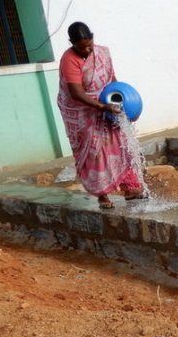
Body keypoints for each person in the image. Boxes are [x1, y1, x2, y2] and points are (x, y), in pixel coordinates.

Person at [57, 21, 145, 208]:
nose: (87, 51)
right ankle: (102, 195)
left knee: (119, 143)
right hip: (82, 112)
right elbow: (76, 93)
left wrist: (121, 99)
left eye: (89, 45)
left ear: (93, 38)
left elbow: (112, 80)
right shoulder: (69, 59)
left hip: (106, 105)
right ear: (71, 43)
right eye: (82, 48)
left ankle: (130, 187)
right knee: (95, 152)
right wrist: (102, 107)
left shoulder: (102, 53)